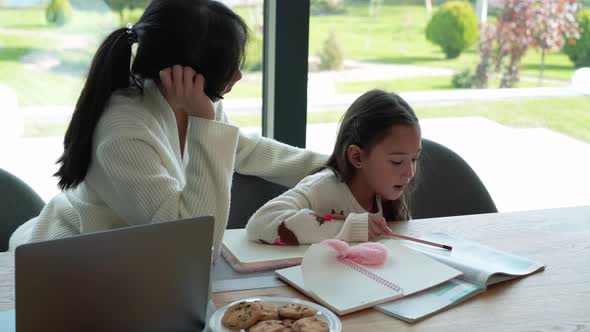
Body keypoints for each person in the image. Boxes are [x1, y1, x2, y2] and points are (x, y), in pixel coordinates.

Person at [8, 0, 326, 261]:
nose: (239, 75)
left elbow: (247, 150)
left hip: (127, 259)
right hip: (65, 261)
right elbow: (195, 246)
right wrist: (206, 122)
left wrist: (333, 165)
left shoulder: (189, 102)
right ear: (185, 73)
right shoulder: (124, 131)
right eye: (229, 66)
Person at [246, 89, 421, 245]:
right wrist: (351, 228)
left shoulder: (390, 196)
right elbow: (261, 222)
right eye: (397, 162)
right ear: (357, 157)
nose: (410, 173)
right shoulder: (322, 188)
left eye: (414, 159)